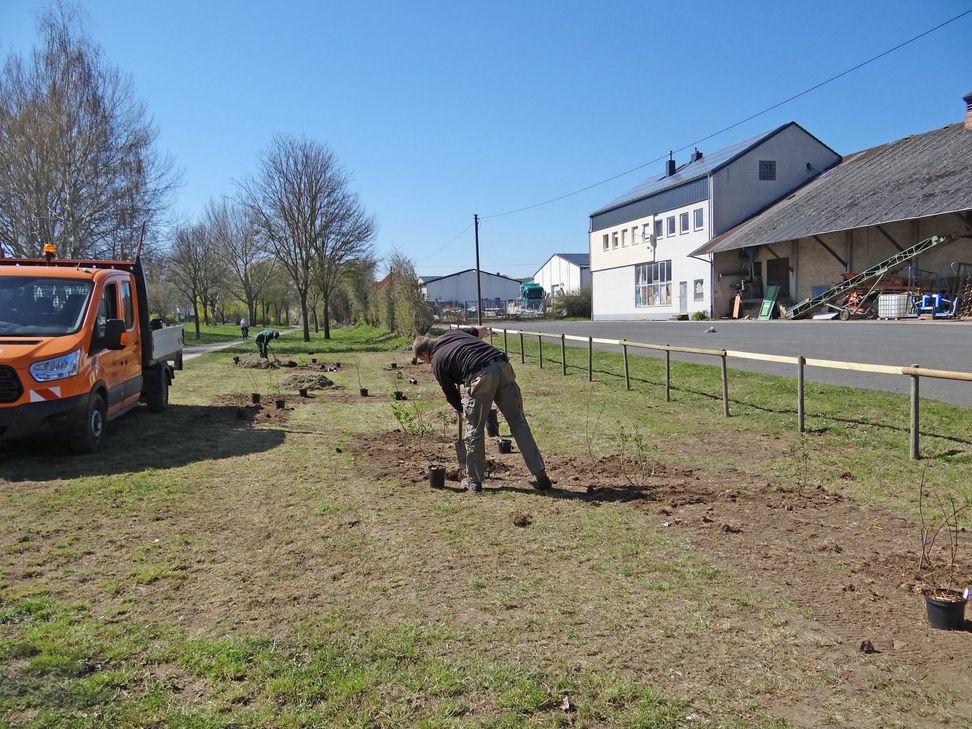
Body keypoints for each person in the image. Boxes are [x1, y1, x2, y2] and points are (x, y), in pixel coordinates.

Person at [413, 326, 552, 493]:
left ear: (423, 355)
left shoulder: (436, 361)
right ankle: (540, 474)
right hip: (502, 365)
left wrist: (464, 409)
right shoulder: (454, 333)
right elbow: (480, 330)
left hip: (480, 376)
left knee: (475, 429)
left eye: (424, 361)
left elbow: (450, 394)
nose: (426, 362)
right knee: (518, 421)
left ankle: (473, 480)